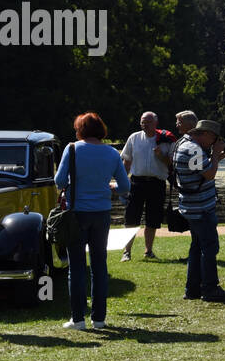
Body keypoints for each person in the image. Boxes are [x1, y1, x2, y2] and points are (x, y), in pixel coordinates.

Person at [55, 112, 130, 330]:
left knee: (76, 268)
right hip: (102, 214)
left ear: (80, 130)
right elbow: (125, 187)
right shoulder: (112, 153)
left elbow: (59, 181)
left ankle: (77, 319)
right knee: (99, 265)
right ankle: (99, 319)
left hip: (76, 213)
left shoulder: (72, 149)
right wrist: (111, 186)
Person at [175, 120, 225, 302]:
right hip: (199, 207)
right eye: (214, 139)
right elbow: (209, 174)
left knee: (197, 247)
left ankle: (192, 290)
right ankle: (210, 288)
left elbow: (199, 170)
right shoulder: (193, 149)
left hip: (192, 205)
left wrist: (215, 157)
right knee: (209, 247)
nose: (215, 143)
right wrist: (215, 155)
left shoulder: (183, 145)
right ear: (206, 134)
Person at [119, 111, 173, 262]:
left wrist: (161, 156)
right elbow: (127, 162)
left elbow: (172, 164)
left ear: (155, 123)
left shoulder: (165, 139)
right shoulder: (134, 137)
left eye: (148, 121)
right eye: (142, 121)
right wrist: (123, 182)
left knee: (153, 219)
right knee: (131, 218)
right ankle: (127, 252)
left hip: (157, 183)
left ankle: (148, 251)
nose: (144, 124)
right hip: (137, 182)